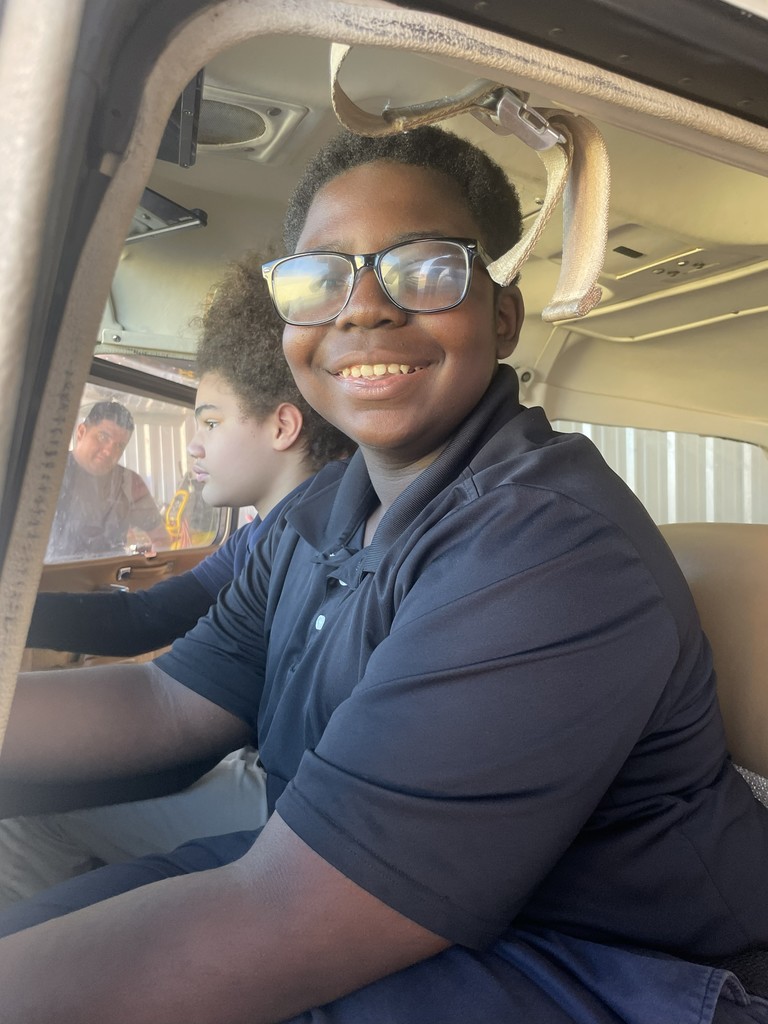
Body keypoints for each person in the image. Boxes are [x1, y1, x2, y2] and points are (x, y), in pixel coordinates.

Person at [0, 125, 767, 1024]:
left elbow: (286, 916)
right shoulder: (320, 512)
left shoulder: (546, 548)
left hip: (612, 969)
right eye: (320, 278)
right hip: (366, 895)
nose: (362, 309)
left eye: (428, 268)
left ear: (502, 313)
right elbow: (170, 703)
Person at [0, 252, 351, 907]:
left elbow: (168, 676)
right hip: (265, 766)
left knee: (26, 813)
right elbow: (151, 616)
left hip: (298, 799)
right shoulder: (261, 538)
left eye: (211, 421)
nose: (193, 444)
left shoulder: (318, 530)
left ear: (283, 425)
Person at [45, 399, 171, 560]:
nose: (109, 451)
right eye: (103, 437)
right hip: (52, 579)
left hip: (111, 579)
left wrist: (144, 571)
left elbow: (161, 539)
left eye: (119, 446)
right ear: (81, 432)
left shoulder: (130, 483)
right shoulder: (48, 475)